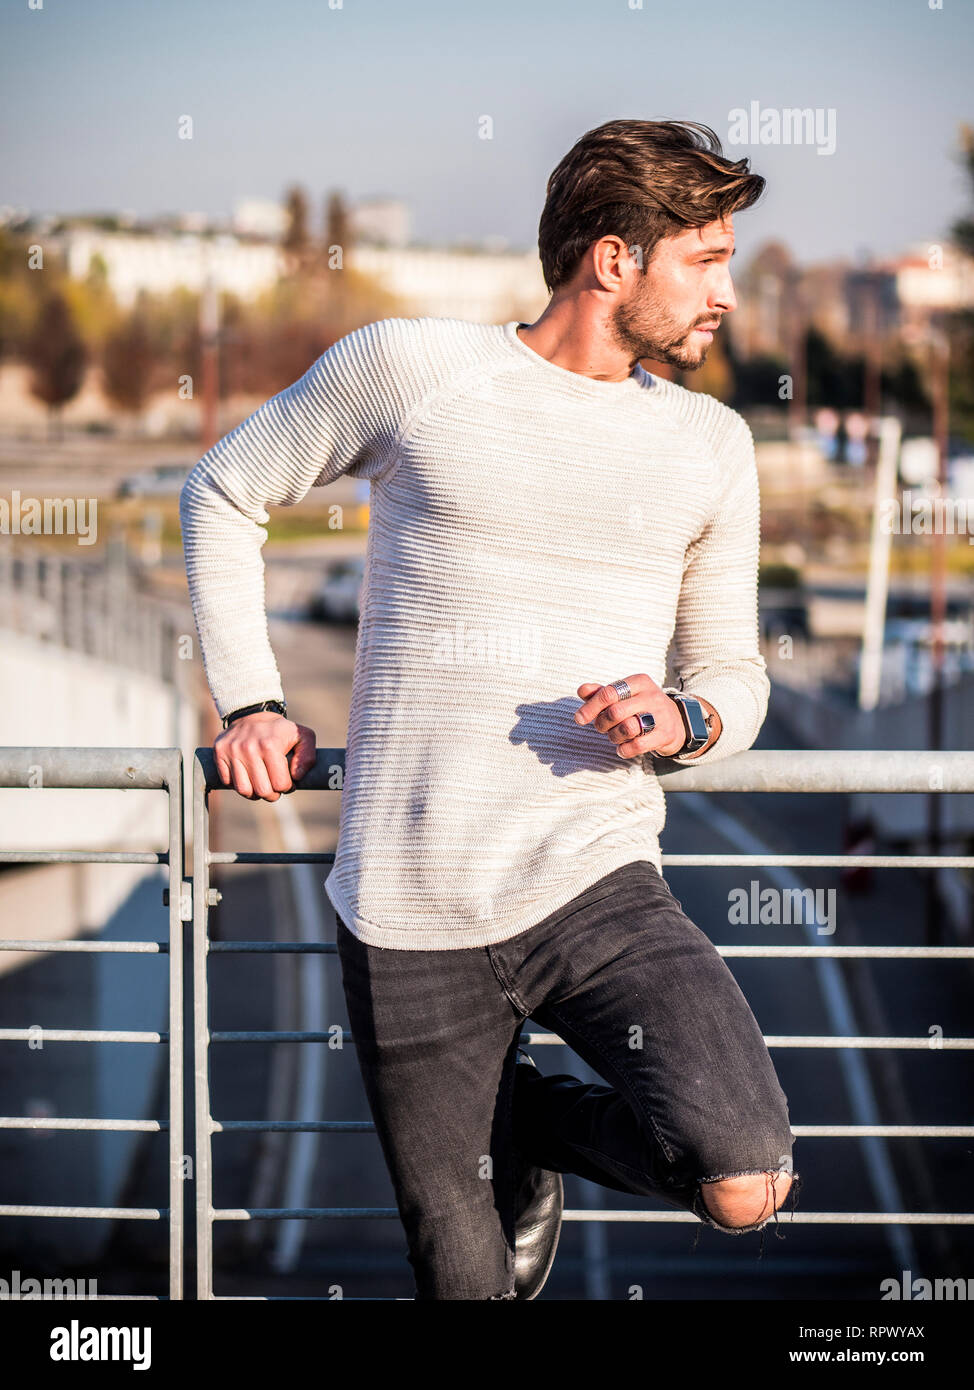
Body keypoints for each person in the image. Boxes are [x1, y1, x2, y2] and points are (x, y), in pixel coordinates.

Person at [179, 118, 798, 1301]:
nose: (726, 293)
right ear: (612, 260)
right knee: (468, 1289)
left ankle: (533, 1124)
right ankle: (499, 1134)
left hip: (596, 880)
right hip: (407, 906)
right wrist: (251, 700)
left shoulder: (709, 444)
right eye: (705, 261)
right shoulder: (412, 368)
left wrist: (685, 720)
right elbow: (223, 488)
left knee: (742, 1174)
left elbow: (734, 669)